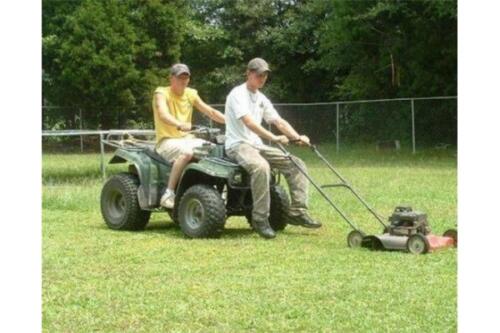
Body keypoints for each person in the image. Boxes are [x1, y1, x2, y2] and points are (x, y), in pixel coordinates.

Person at [224, 58, 322, 239]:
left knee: (296, 163)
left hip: (257, 145)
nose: (261, 78)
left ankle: (298, 211)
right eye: (258, 74)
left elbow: (278, 121)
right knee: (261, 167)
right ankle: (260, 219)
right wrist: (273, 137)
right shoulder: (237, 94)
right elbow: (249, 122)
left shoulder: (261, 98)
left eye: (265, 75)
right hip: (238, 145)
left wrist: (297, 137)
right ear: (248, 73)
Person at [153, 63, 225, 208]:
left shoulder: (191, 93)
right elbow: (162, 114)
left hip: (188, 139)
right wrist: (179, 124)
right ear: (171, 78)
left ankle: (221, 191)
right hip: (167, 141)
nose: (183, 81)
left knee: (218, 149)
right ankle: (169, 193)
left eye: (186, 77)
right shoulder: (161, 92)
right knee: (187, 153)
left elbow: (209, 111)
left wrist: (230, 121)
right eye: (180, 77)